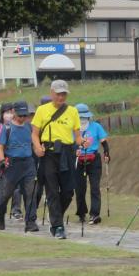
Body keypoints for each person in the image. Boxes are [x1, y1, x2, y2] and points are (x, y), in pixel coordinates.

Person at [31, 80, 88, 240]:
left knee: (69, 191)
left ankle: (55, 215)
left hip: (67, 153)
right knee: (52, 191)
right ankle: (57, 226)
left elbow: (77, 136)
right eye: (58, 94)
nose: (61, 97)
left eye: (63, 94)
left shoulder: (72, 111)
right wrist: (37, 147)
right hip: (49, 153)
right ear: (51, 93)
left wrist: (83, 142)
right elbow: (34, 134)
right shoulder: (42, 110)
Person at [0, 100, 39, 232]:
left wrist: (39, 149)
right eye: (20, 115)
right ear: (14, 112)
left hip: (28, 163)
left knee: (31, 193)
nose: (22, 118)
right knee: (6, 194)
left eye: (24, 115)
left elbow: (35, 143)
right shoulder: (7, 128)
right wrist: (2, 160)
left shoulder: (29, 127)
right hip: (12, 165)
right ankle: (1, 215)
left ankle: (30, 222)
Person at [74, 103, 110, 225]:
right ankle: (81, 213)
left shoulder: (96, 127)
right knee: (80, 188)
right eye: (80, 117)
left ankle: (94, 214)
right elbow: (69, 143)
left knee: (95, 187)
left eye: (84, 117)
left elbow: (104, 142)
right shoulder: (72, 129)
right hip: (78, 161)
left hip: (93, 159)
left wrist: (106, 153)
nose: (82, 120)